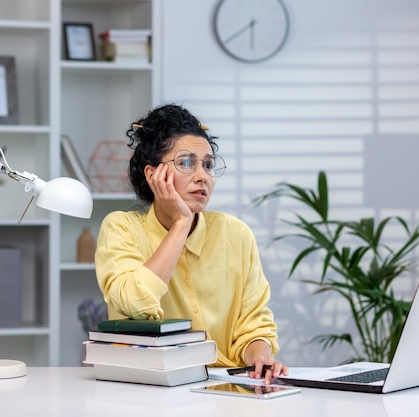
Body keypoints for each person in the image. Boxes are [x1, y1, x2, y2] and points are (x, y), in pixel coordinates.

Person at [95, 104, 288, 383]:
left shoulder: (235, 234)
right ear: (153, 176)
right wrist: (181, 225)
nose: (202, 176)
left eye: (208, 165)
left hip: (227, 387)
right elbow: (133, 303)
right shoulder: (120, 228)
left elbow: (254, 324)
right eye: (186, 162)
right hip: (152, 388)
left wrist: (260, 357)